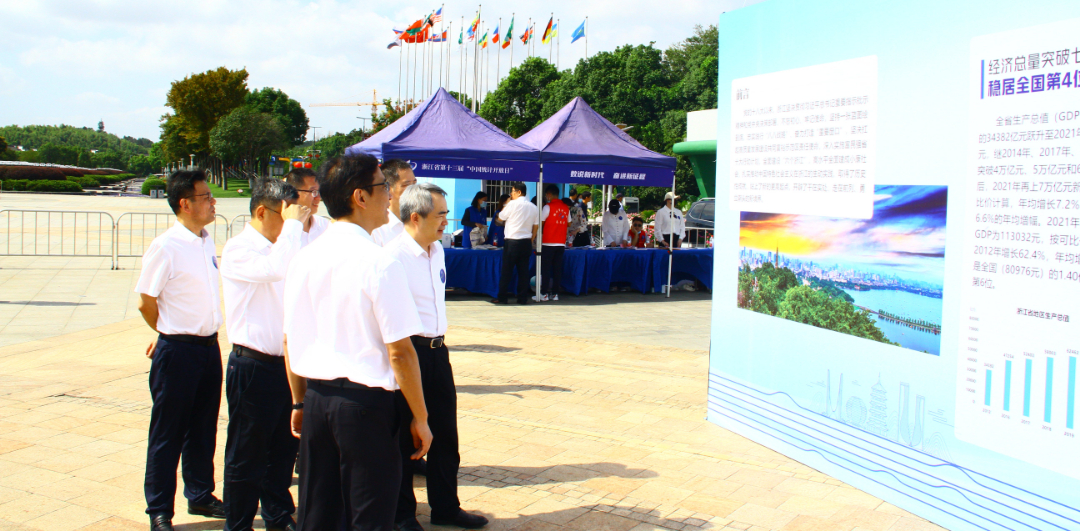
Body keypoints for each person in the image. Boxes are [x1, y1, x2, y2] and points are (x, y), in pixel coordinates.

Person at [283, 154, 432, 531]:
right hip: (365, 407)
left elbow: (289, 339)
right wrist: (420, 416)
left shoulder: (304, 258)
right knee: (370, 515)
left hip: (317, 401)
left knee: (319, 514)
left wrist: (299, 401)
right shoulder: (380, 263)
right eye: (384, 187)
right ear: (360, 197)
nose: (391, 196)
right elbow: (400, 352)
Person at [387, 184, 489, 531]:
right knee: (405, 436)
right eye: (441, 215)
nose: (447, 221)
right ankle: (402, 514)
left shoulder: (437, 252)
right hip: (408, 352)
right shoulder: (393, 258)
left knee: (446, 434)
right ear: (415, 217)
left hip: (437, 352)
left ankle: (446, 507)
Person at [135, 170, 226, 531]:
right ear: (185, 204)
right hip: (178, 352)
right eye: (206, 197)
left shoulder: (204, 240)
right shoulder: (166, 246)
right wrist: (166, 331)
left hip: (208, 348)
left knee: (203, 428)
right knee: (167, 433)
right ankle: (159, 509)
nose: (213, 202)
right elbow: (146, 301)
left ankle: (200, 494)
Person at [220, 180, 311, 531]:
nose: (293, 223)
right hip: (253, 365)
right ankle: (238, 523)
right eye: (285, 215)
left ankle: (277, 513)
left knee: (283, 449)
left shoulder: (286, 245)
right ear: (262, 211)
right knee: (247, 452)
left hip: (286, 364)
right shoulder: (239, 249)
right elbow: (274, 268)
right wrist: (293, 227)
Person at [493, 182, 538, 304]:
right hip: (526, 242)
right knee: (523, 272)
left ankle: (502, 297)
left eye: (512, 191)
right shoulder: (533, 207)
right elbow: (536, 226)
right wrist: (531, 239)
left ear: (519, 192)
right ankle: (522, 298)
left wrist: (506, 204)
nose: (511, 194)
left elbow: (501, 218)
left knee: (506, 271)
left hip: (512, 242)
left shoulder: (512, 204)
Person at [372, 159, 417, 246]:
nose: (414, 190)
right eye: (406, 185)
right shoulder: (377, 229)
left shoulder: (419, 222)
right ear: (387, 188)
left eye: (414, 183)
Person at [537, 184, 569, 302]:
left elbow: (541, 222)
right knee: (557, 269)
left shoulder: (547, 207)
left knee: (546, 269)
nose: (546, 197)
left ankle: (544, 293)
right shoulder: (565, 207)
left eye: (546, 195)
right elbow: (569, 223)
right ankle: (555, 294)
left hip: (548, 242)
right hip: (561, 243)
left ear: (549, 194)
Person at [285, 168, 329, 247]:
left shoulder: (325, 226)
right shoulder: (284, 230)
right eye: (313, 192)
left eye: (319, 192)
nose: (318, 197)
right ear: (294, 193)